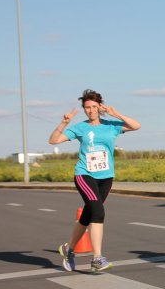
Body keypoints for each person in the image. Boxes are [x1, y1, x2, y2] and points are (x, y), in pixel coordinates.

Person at [49, 89, 141, 272]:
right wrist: (64, 123)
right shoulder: (80, 128)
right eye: (87, 107)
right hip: (85, 174)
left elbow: (136, 126)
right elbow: (53, 140)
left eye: (93, 107)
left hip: (106, 177)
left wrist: (116, 114)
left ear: (100, 106)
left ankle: (69, 249)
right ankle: (97, 258)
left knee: (88, 214)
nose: (90, 111)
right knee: (98, 211)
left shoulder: (111, 125)